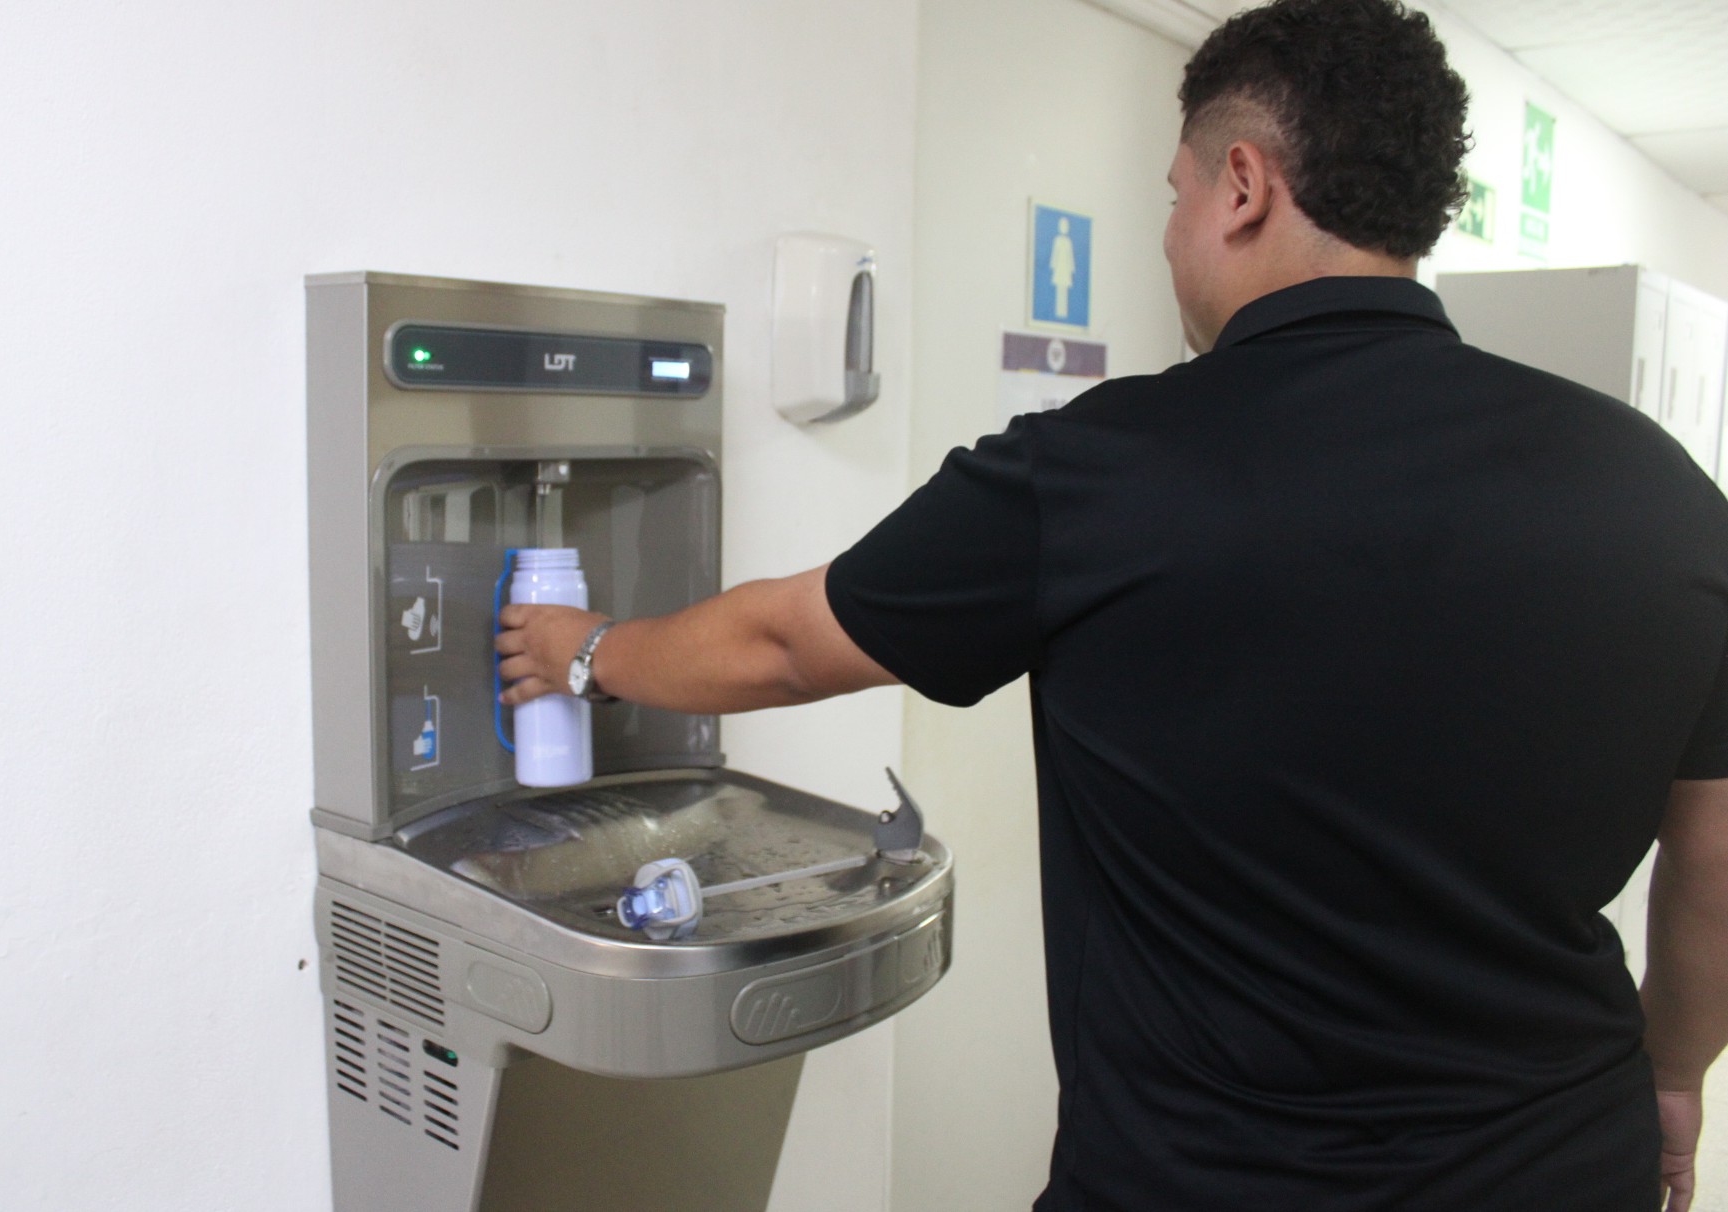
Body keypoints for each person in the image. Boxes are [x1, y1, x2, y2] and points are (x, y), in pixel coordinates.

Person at [494, 0, 1728, 1207]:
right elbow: (1714, 849)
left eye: (1173, 196)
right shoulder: (1661, 494)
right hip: (1564, 1161)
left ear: (1240, 186)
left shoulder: (1103, 470)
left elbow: (782, 644)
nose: (1169, 235)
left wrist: (585, 652)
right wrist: (1674, 1074)